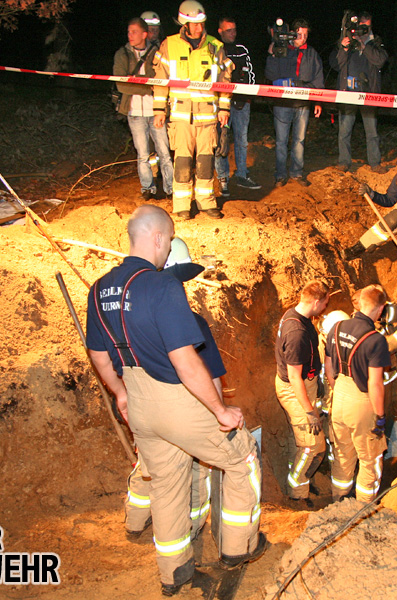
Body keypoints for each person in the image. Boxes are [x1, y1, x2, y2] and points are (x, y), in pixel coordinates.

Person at [86, 205, 266, 596]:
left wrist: (120, 394)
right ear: (158, 238)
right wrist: (220, 410)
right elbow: (185, 360)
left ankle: (175, 571)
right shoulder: (162, 286)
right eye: (168, 241)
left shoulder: (100, 289)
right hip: (176, 400)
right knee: (242, 456)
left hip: (139, 402)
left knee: (166, 483)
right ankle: (240, 547)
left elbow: (99, 355)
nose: (168, 251)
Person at [125, 238, 222, 545]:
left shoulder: (131, 318)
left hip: (144, 408)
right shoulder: (191, 323)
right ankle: (192, 528)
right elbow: (210, 373)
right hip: (183, 408)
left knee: (150, 467)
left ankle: (135, 521)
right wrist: (219, 411)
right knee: (195, 471)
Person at [152, 0, 234, 221]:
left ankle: (206, 202)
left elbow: (225, 80)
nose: (199, 28)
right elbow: (161, 80)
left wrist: (224, 108)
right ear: (184, 23)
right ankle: (181, 206)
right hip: (180, 116)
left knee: (206, 160)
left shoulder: (215, 46)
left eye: (201, 23)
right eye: (194, 24)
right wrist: (159, 110)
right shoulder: (169, 45)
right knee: (183, 161)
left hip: (208, 116)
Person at [324, 285, 392, 502]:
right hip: (362, 402)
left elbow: (328, 367)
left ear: (360, 303)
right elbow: (375, 383)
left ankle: (338, 500)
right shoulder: (375, 340)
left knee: (343, 454)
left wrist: (338, 389)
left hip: (339, 397)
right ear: (380, 310)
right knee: (370, 459)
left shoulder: (336, 328)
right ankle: (364, 508)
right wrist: (380, 416)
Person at [274, 280, 330, 505]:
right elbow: (295, 377)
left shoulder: (296, 315)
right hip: (295, 390)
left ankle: (301, 476)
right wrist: (309, 412)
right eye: (325, 303)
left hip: (306, 385)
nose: (325, 307)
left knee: (299, 440)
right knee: (313, 446)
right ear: (316, 302)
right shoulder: (296, 332)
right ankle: (297, 491)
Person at [115, 17, 174, 202]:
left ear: (144, 34)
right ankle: (147, 188)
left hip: (156, 111)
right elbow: (121, 84)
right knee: (142, 154)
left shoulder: (156, 52)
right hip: (134, 112)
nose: (130, 35)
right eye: (128, 32)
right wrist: (148, 86)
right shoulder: (122, 54)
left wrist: (139, 83)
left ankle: (171, 188)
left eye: (134, 32)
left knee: (164, 152)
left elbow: (162, 80)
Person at [265, 19, 324, 187]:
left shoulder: (312, 53)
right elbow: (270, 74)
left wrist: (318, 101)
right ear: (292, 33)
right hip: (282, 103)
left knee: (299, 140)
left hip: (303, 104)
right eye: (299, 34)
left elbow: (318, 79)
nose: (303, 38)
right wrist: (272, 54)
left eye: (306, 35)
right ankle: (280, 175)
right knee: (281, 140)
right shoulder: (282, 50)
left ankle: (297, 173)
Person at [330, 11, 388, 172]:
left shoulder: (375, 42)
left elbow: (381, 61)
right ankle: (344, 161)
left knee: (372, 131)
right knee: (344, 130)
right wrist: (344, 47)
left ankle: (375, 163)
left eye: (367, 26)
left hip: (368, 92)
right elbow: (335, 64)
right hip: (348, 91)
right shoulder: (347, 39)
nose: (364, 29)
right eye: (362, 25)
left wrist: (364, 46)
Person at [215, 17, 262, 193]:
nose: (232, 33)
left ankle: (242, 174)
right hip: (221, 104)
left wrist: (246, 94)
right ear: (220, 31)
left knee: (242, 140)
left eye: (234, 29)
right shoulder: (216, 49)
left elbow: (250, 73)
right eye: (228, 30)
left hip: (242, 102)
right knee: (222, 141)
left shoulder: (242, 49)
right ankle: (223, 178)